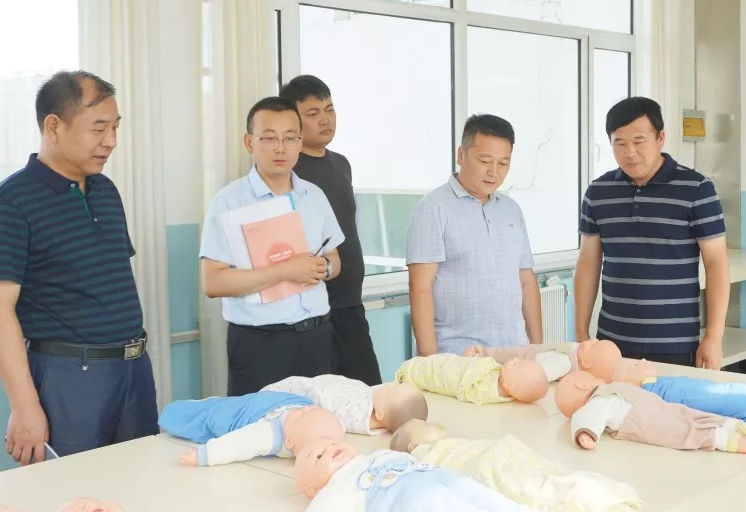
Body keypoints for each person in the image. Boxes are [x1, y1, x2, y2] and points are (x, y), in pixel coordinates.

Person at [0, 71, 158, 464]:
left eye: (115, 127)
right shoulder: (8, 203)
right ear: (54, 126)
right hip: (70, 377)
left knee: (141, 483)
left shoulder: (105, 191)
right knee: (70, 490)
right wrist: (24, 407)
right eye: (98, 128)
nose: (110, 141)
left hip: (133, 371)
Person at [200, 96, 345, 395]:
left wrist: (324, 267)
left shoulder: (314, 196)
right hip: (261, 343)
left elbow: (334, 258)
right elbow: (213, 282)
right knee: (263, 424)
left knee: (318, 421)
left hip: (317, 336)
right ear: (249, 143)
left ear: (300, 143)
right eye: (269, 138)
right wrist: (286, 271)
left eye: (290, 138)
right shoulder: (228, 201)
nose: (281, 148)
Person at [573, 97, 730, 369]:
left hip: (675, 344)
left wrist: (714, 337)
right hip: (611, 344)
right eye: (619, 143)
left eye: (639, 141)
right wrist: (580, 332)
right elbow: (588, 262)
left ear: (660, 139)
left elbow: (716, 263)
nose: (630, 152)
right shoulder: (598, 192)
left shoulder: (696, 189)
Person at [405, 114, 542, 355]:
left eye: (503, 163)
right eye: (485, 161)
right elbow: (420, 287)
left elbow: (526, 281)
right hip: (458, 356)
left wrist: (537, 348)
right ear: (461, 155)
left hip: (513, 353)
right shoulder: (433, 208)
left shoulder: (511, 210)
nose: (494, 172)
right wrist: (430, 362)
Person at [280, 75, 381, 386]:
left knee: (369, 394)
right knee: (319, 402)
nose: (325, 120)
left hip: (350, 305)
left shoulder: (341, 164)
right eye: (313, 113)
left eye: (329, 109)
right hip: (310, 313)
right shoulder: (287, 170)